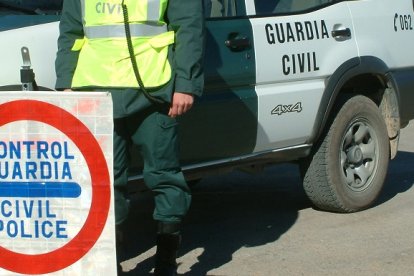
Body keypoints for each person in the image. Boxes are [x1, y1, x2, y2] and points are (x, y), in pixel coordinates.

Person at [55, 0, 204, 275]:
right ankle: (109, 263)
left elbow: (189, 28)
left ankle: (166, 262)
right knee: (104, 181)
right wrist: (66, 82)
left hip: (153, 89)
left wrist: (186, 83)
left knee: (164, 175)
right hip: (96, 92)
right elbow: (71, 32)